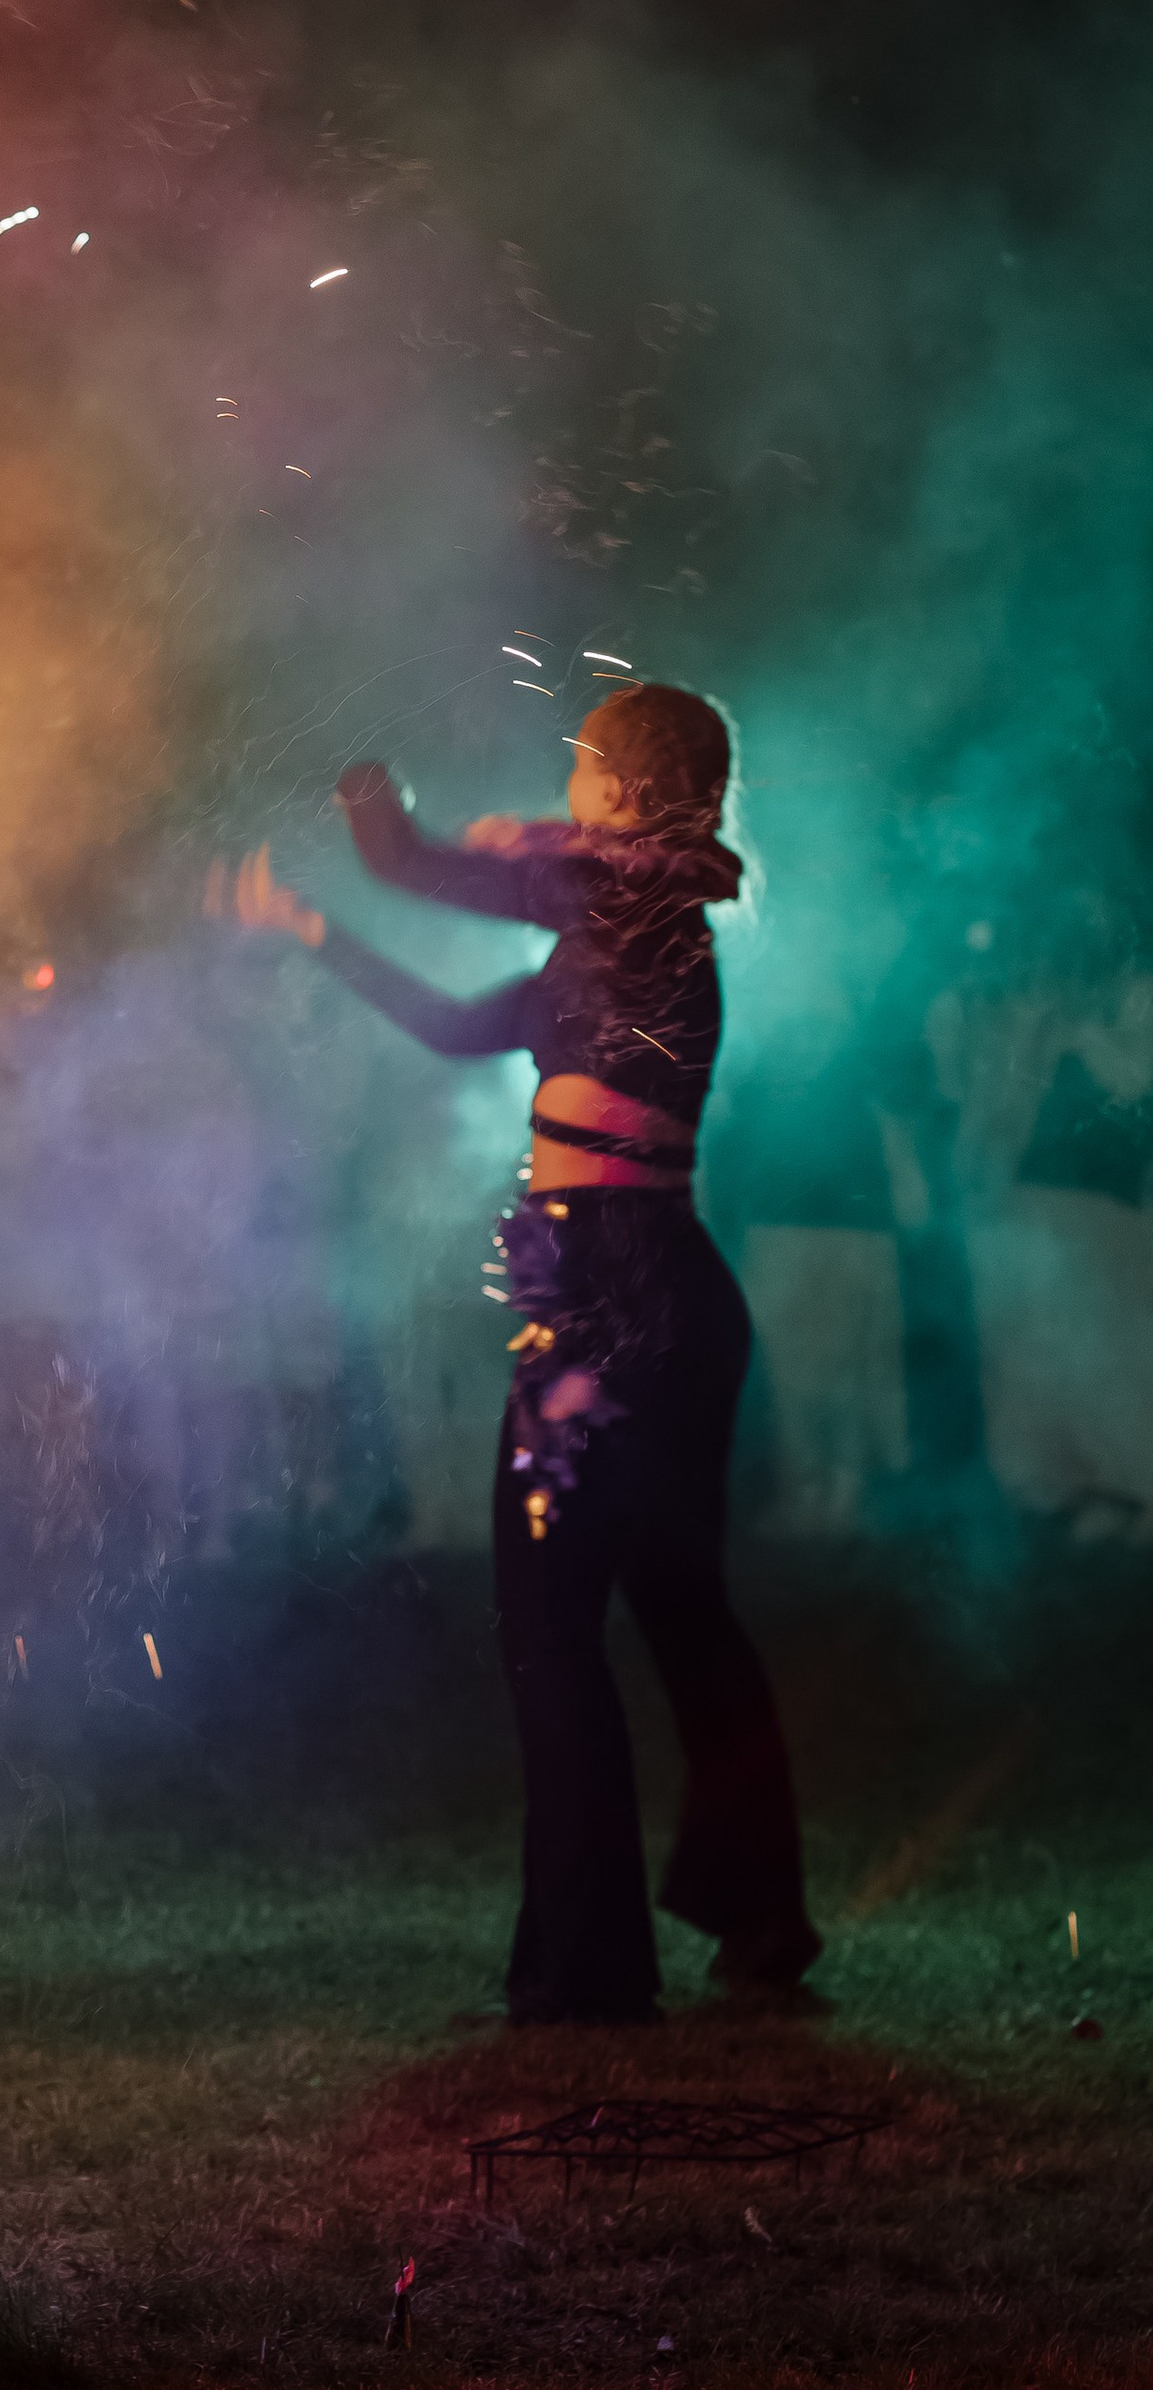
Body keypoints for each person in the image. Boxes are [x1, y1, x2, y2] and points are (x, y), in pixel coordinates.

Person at [222, 684, 818, 2024]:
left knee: (552, 1632)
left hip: (613, 1306)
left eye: (585, 760)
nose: (566, 779)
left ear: (628, 788)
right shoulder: (630, 933)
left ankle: (594, 1975)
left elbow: (416, 862)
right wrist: (313, 930)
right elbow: (450, 1028)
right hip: (661, 1292)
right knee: (678, 1607)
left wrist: (352, 774)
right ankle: (761, 1919)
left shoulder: (624, 907)